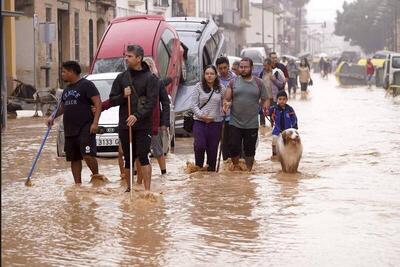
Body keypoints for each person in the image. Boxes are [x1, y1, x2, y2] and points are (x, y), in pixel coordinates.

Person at [109, 44, 159, 193]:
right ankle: (129, 189)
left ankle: (147, 191)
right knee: (128, 157)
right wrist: (123, 96)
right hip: (125, 124)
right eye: (125, 55)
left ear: (139, 58)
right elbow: (112, 100)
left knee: (143, 156)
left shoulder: (150, 78)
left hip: (143, 125)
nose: (126, 59)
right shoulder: (121, 77)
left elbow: (151, 102)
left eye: (129, 56)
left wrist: (137, 115)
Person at [46, 61, 102, 184]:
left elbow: (98, 103)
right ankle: (78, 185)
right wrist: (52, 117)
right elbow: (62, 107)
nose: (62, 74)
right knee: (74, 158)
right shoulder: (66, 90)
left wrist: (95, 123)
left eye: (64, 72)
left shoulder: (87, 85)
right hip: (70, 129)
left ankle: (97, 177)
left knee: (87, 154)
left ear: (72, 72)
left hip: (85, 127)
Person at [223, 57, 269, 171]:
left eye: (246, 67)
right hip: (235, 122)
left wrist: (266, 107)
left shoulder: (259, 83)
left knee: (250, 150)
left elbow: (265, 98)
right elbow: (226, 98)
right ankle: (236, 168)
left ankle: (248, 171)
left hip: (252, 123)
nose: (243, 69)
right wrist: (226, 103)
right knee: (233, 147)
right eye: (241, 67)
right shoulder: (233, 82)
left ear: (251, 68)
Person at [134, 57, 170, 187]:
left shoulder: (157, 82)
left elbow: (165, 102)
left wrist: (164, 122)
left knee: (157, 149)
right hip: (139, 121)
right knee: (139, 152)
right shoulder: (135, 82)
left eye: (149, 65)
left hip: (155, 122)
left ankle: (163, 173)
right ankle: (138, 178)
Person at [191, 65, 225, 171]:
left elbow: (226, 102)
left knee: (213, 150)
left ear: (216, 75)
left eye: (212, 74)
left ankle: (210, 177)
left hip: (215, 123)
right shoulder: (198, 87)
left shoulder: (221, 88)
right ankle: (198, 170)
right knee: (199, 145)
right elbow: (193, 105)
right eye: (207, 74)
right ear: (204, 75)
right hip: (200, 122)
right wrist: (202, 115)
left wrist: (225, 107)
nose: (209, 76)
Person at [266, 90, 298, 160]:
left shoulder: (290, 109)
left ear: (287, 100)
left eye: (284, 99)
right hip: (277, 131)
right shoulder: (274, 108)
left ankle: (289, 156)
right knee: (274, 140)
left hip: (288, 131)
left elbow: (294, 118)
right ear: (276, 100)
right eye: (280, 99)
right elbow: (266, 112)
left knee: (288, 144)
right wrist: (262, 108)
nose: (282, 101)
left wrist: (294, 128)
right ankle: (274, 155)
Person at [216, 56, 236, 160]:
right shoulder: (215, 80)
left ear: (228, 66)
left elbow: (238, 98)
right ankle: (226, 165)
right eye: (220, 68)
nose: (223, 70)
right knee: (223, 143)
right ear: (217, 68)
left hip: (233, 117)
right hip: (219, 117)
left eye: (225, 67)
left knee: (233, 143)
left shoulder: (235, 79)